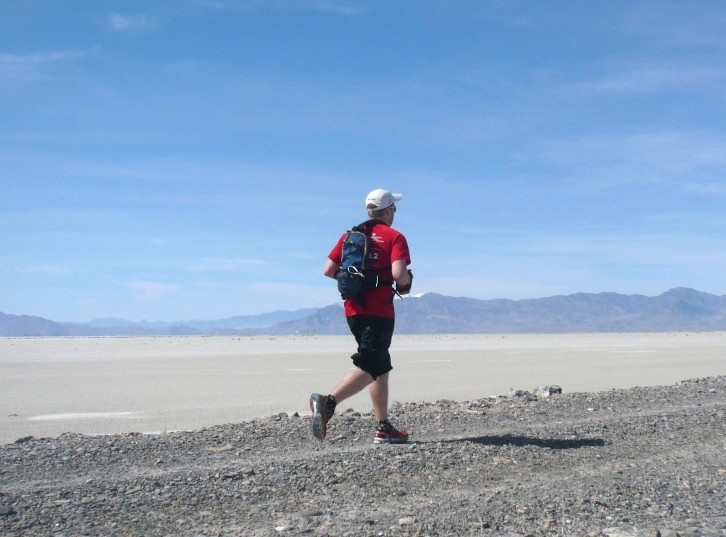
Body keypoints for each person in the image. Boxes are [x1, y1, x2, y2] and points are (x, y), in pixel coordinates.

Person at [310, 189, 413, 444]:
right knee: (371, 365)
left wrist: (359, 281)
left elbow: (328, 270)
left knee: (381, 365)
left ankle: (383, 427)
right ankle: (328, 404)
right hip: (378, 311)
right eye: (394, 210)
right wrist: (405, 282)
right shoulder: (394, 237)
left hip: (353, 310)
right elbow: (400, 275)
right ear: (388, 210)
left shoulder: (350, 236)